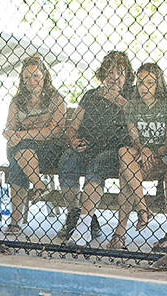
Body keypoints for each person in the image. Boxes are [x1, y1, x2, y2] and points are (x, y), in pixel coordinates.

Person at [58, 51, 134, 246]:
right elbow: (72, 127)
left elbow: (138, 124)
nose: (114, 77)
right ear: (102, 74)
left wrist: (119, 100)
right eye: (109, 72)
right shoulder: (91, 95)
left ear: (127, 76)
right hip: (88, 147)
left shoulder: (132, 96)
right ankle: (76, 215)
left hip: (116, 150)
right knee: (68, 159)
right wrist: (73, 139)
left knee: (97, 165)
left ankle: (82, 228)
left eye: (120, 72)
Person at [115, 62, 167, 251]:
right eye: (141, 82)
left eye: (150, 83)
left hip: (162, 158)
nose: (144, 87)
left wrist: (153, 152)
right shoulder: (132, 106)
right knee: (124, 153)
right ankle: (143, 208)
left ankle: (121, 231)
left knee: (125, 176)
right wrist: (143, 149)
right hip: (141, 156)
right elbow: (134, 138)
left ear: (158, 84)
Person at [2, 55, 65, 237]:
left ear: (44, 76)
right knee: (20, 153)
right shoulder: (17, 101)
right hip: (23, 149)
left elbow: (53, 131)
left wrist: (20, 135)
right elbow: (8, 126)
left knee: (18, 158)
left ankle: (15, 221)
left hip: (49, 149)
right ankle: (39, 185)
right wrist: (8, 133)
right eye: (27, 77)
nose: (32, 81)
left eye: (36, 76)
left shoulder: (55, 99)